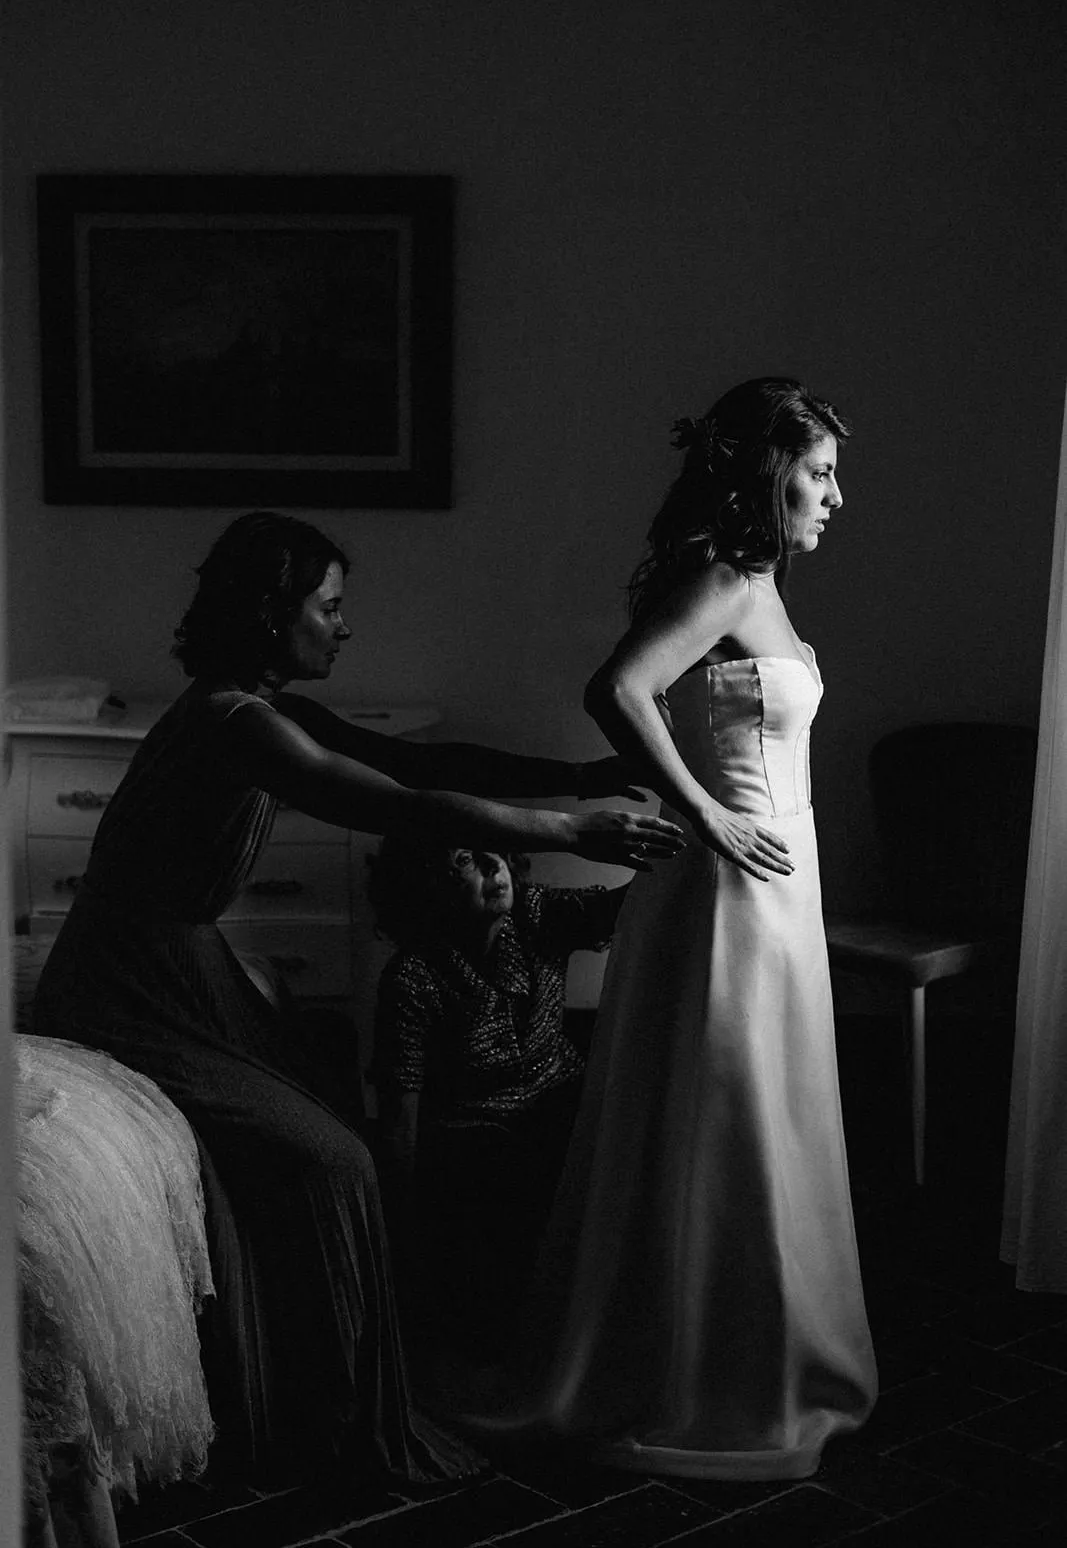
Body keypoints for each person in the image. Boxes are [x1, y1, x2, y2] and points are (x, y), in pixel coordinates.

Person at [33, 510, 684, 1489]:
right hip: (131, 983)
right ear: (270, 615)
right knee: (332, 1162)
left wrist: (590, 775)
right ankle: (337, 1424)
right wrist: (564, 824)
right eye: (328, 607)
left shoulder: (256, 704)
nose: (343, 627)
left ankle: (320, 1381)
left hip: (181, 966)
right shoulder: (234, 721)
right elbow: (395, 806)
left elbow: (425, 765)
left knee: (338, 1120)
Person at [476, 377, 877, 1481]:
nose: (835, 495)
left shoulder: (759, 583)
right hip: (724, 889)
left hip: (772, 884)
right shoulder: (726, 573)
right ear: (765, 475)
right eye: (818, 472)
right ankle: (702, 1374)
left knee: (763, 1114)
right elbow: (619, 688)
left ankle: (761, 1354)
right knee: (724, 1112)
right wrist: (704, 817)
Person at [370, 839, 628, 1364]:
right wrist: (403, 1240)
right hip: (475, 1151)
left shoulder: (536, 915)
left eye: (496, 850)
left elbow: (626, 906)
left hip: (562, 1113)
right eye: (465, 857)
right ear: (427, 883)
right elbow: (401, 1121)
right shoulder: (412, 979)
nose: (495, 866)